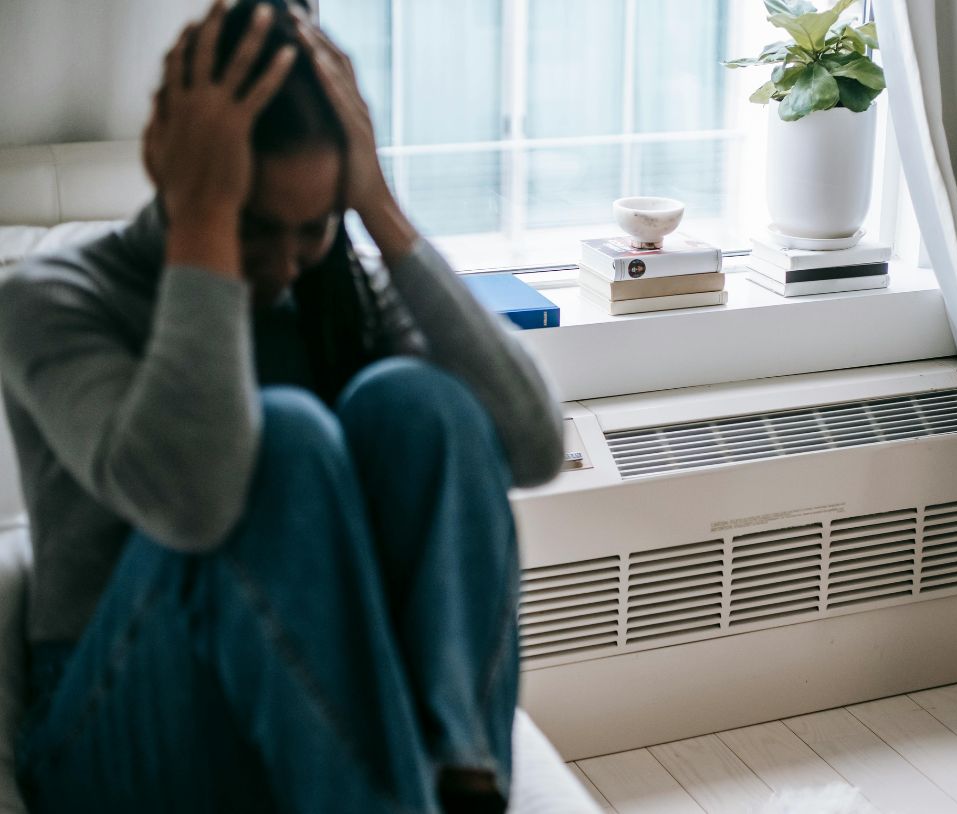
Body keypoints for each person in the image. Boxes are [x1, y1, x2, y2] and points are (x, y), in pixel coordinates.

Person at [0, 1, 564, 811]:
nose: (287, 266)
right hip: (106, 720)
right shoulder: (52, 301)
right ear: (179, 165)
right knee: (287, 435)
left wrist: (381, 214)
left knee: (421, 403)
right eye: (255, 227)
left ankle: (459, 773)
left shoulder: (337, 288)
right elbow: (193, 505)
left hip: (304, 701)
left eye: (316, 228)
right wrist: (203, 224)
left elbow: (533, 446)